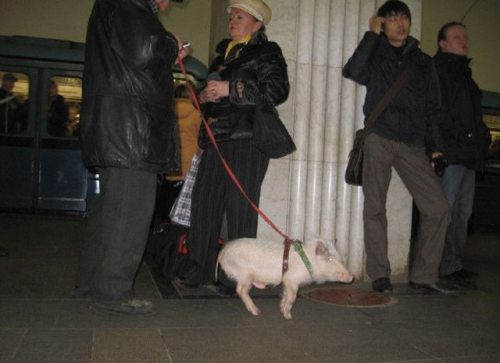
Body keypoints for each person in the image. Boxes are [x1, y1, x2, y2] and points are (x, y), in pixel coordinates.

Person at [75, 0, 187, 315]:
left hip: (119, 125)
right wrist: (171, 43)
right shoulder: (128, 5)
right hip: (131, 130)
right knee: (130, 211)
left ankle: (91, 281)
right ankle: (113, 292)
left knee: (111, 210)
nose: (164, 5)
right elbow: (145, 49)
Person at [342, 0, 452, 294]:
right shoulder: (375, 52)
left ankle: (424, 275)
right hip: (379, 136)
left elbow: (433, 107)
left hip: (413, 143)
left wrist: (436, 147)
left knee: (438, 208)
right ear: (382, 23)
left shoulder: (424, 62)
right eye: (392, 18)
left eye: (404, 17)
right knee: (375, 207)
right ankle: (380, 273)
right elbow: (353, 72)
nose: (400, 23)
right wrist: (371, 35)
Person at [183, 0, 290, 293]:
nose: (232, 21)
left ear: (257, 24)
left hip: (246, 139)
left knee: (241, 209)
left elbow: (277, 90)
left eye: (239, 16)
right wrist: (204, 97)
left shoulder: (267, 52)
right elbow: (209, 96)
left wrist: (231, 88)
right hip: (216, 137)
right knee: (204, 203)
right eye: (231, 16)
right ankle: (200, 269)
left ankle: (237, 277)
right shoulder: (222, 55)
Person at [433, 22, 491, 283]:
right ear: (442, 44)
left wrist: (483, 138)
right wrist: (452, 140)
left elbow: (474, 117)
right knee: (445, 210)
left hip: (469, 155)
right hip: (452, 153)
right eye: (456, 36)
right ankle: (435, 265)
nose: (463, 40)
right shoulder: (439, 70)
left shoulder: (467, 77)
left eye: (465, 36)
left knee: (462, 214)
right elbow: (437, 111)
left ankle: (452, 265)